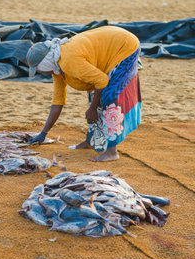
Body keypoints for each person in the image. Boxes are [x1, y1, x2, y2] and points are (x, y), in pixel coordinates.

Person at [27, 25, 141, 162]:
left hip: (125, 46)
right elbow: (58, 100)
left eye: (39, 69)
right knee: (95, 95)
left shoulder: (69, 60)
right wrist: (43, 133)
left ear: (45, 63)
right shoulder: (57, 66)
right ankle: (91, 141)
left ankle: (112, 151)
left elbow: (102, 81)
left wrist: (92, 109)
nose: (41, 72)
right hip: (111, 45)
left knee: (109, 96)